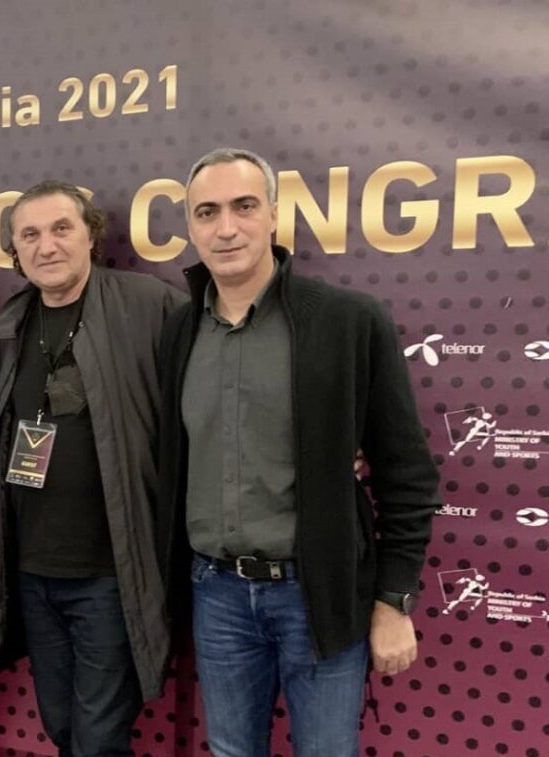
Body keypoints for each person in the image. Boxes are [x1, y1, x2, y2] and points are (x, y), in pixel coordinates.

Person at [156, 147, 439, 756]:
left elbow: (407, 475)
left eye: (244, 206)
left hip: (317, 593)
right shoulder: (178, 331)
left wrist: (394, 600)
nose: (226, 228)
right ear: (191, 228)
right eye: (207, 212)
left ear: (274, 215)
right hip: (215, 593)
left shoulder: (347, 321)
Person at [0, 181, 186, 755]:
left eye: (61, 228)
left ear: (91, 234)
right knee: (61, 725)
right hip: (34, 573)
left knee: (98, 738)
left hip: (109, 574)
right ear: (15, 250)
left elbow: (211, 392)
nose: (47, 246)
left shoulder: (148, 304)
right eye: (30, 235)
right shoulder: (12, 324)